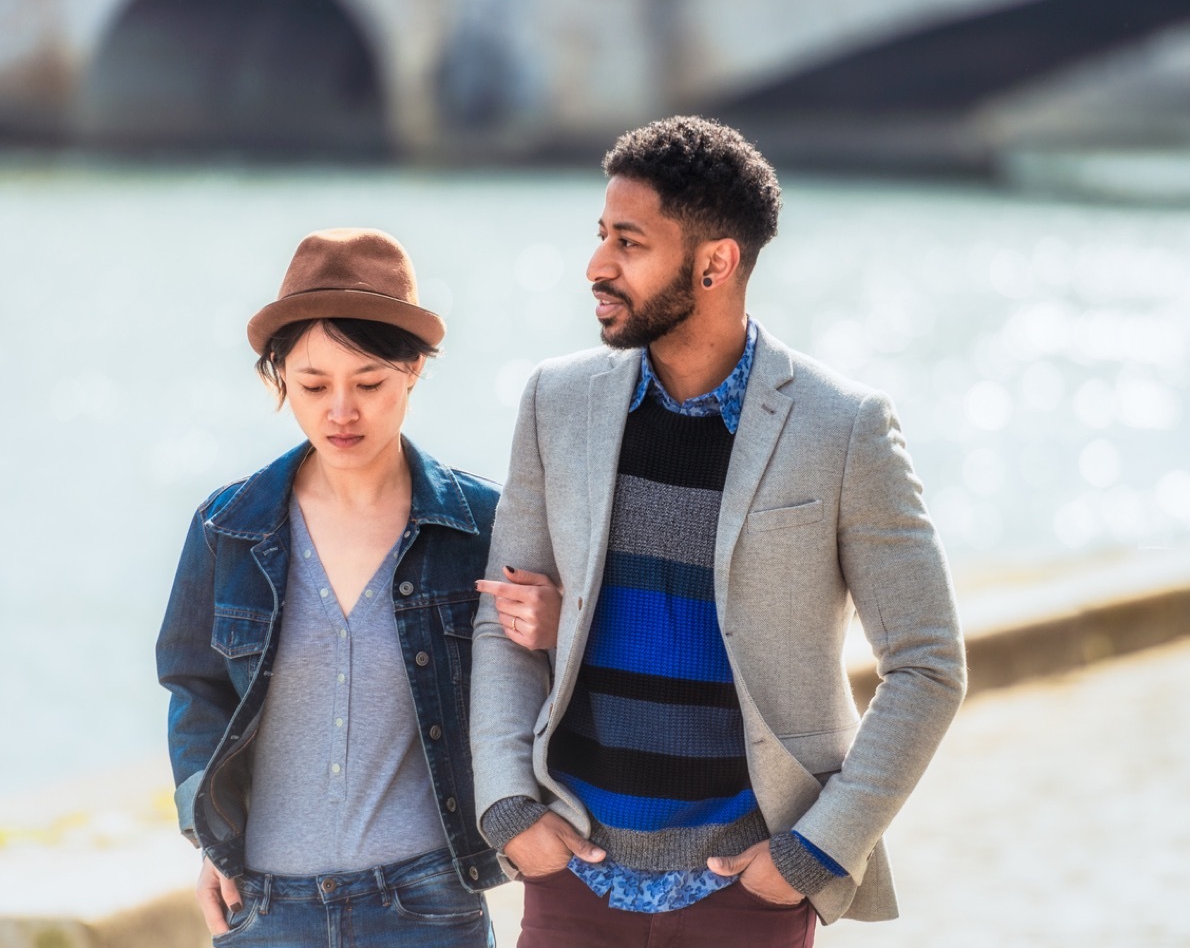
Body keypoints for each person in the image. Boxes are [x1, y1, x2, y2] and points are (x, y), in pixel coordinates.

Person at [469, 117, 967, 947]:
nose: (598, 265)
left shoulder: (842, 428)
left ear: (715, 262)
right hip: (572, 876)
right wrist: (508, 807)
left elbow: (928, 664)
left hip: (747, 887)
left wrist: (813, 851)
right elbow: (501, 615)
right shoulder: (556, 403)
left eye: (629, 242)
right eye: (601, 236)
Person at [156, 228, 560, 947]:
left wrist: (559, 629)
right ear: (279, 375)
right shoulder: (228, 528)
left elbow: (535, 695)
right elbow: (194, 688)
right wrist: (209, 839)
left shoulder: (484, 526)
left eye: (369, 383)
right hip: (265, 910)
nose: (340, 410)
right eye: (312, 385)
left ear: (414, 371)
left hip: (429, 905)